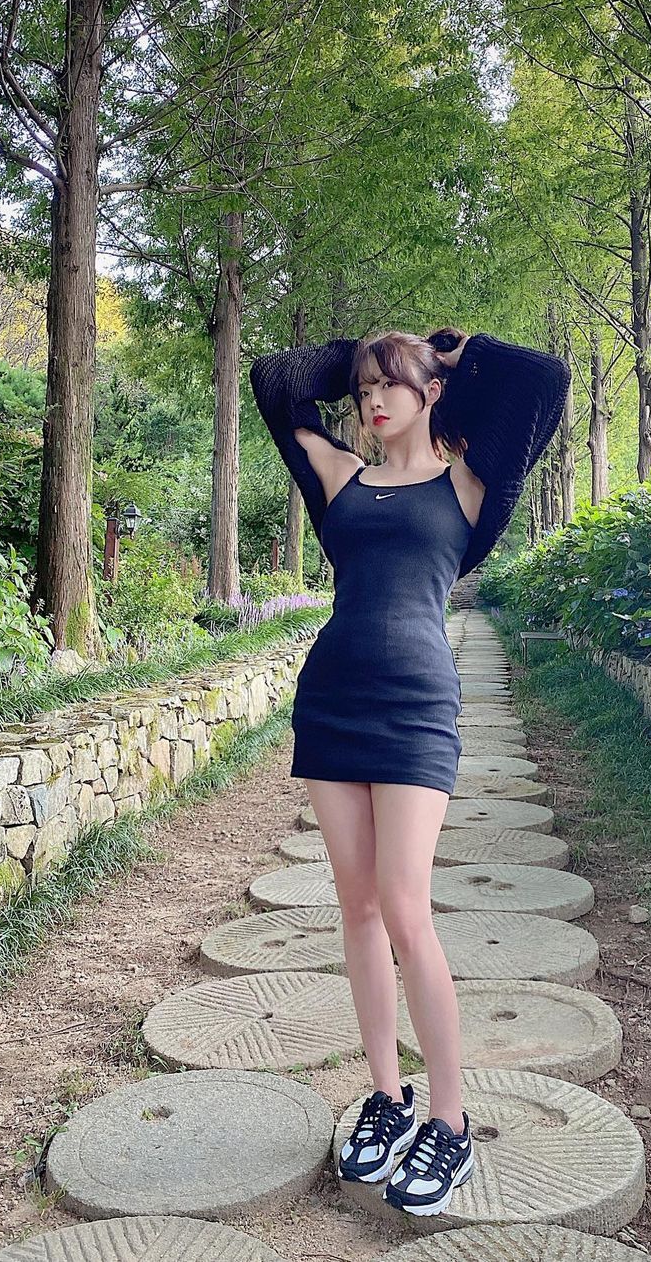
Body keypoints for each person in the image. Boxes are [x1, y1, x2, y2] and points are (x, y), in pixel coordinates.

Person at [249, 326, 569, 1217]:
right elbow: (274, 380)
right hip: (332, 700)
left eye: (389, 386)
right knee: (356, 908)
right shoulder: (339, 478)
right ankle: (387, 1098)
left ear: (430, 393)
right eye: (362, 390)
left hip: (419, 710)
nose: (371, 402)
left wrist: (453, 352)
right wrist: (365, 350)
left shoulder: (470, 486)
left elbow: (544, 380)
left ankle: (450, 1123)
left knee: (404, 908)